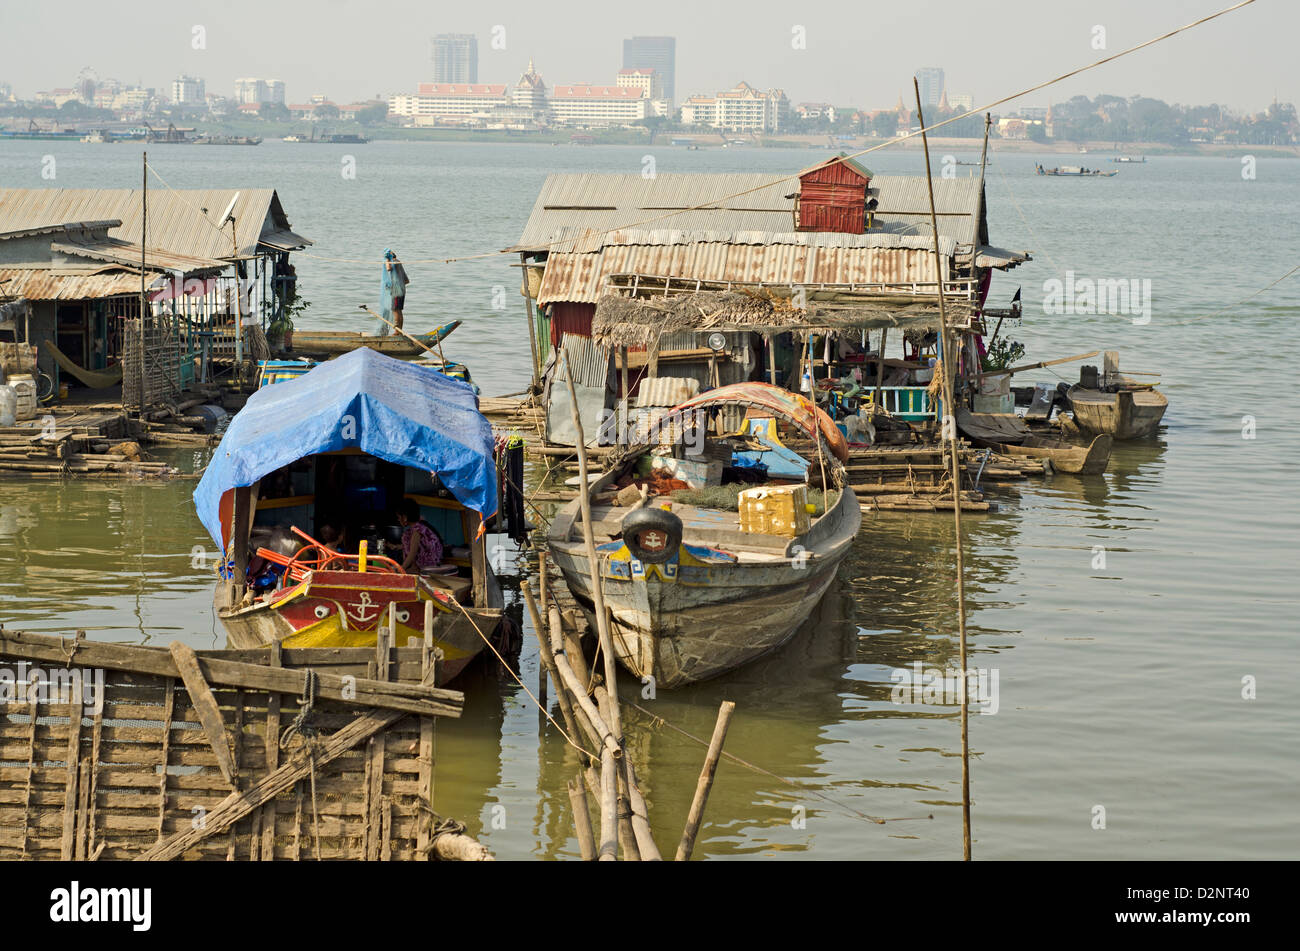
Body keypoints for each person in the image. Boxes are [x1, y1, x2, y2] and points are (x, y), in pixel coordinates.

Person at [396, 499, 443, 573]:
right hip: (423, 566)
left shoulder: (417, 531)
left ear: (404, 517)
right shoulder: (417, 528)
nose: (398, 520)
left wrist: (400, 570)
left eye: (399, 517)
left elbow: (412, 554)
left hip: (430, 567)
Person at [382, 248, 410, 332]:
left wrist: (387, 259)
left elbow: (388, 268)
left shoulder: (393, 262)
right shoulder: (398, 262)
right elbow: (406, 281)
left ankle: (397, 332)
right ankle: (399, 331)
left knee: (395, 310)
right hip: (401, 289)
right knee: (398, 310)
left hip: (396, 291)